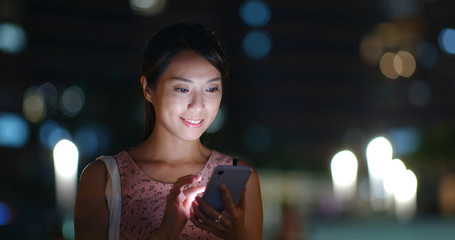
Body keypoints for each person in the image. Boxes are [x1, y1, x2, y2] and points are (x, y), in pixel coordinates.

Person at [74, 22, 263, 239]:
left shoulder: (240, 180)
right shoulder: (104, 178)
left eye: (211, 89)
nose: (198, 105)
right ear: (148, 89)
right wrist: (168, 229)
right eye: (182, 89)